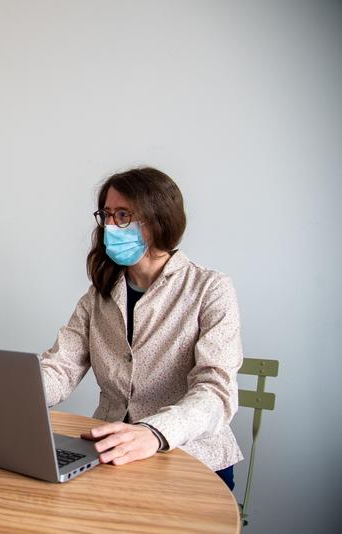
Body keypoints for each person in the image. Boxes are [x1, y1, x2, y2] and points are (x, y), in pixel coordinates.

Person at [40, 167, 243, 490]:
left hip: (190, 458)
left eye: (123, 215)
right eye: (106, 215)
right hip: (110, 457)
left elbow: (215, 391)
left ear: (159, 220)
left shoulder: (209, 289)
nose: (110, 226)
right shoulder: (98, 295)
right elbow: (61, 368)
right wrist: (14, 393)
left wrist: (155, 432)